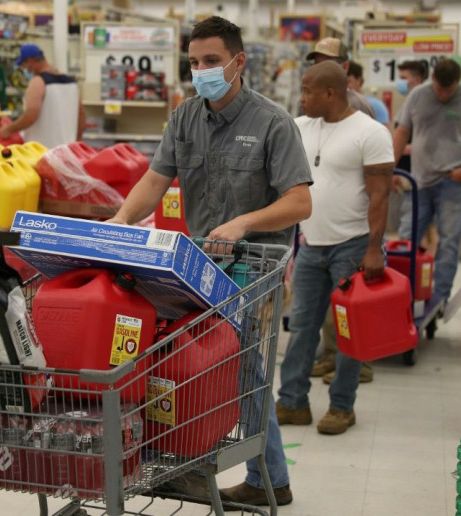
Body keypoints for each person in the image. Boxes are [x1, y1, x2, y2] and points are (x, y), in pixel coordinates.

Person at [106, 16, 312, 507]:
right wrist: (117, 223)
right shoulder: (184, 117)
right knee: (193, 366)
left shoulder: (272, 122)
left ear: (239, 62)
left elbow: (299, 202)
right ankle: (200, 465)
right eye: (195, 62)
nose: (201, 71)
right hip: (198, 268)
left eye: (212, 61)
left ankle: (268, 479)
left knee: (242, 371)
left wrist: (244, 222)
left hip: (253, 269)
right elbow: (155, 180)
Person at [276, 61, 394, 435]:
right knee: (301, 328)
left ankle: (342, 406)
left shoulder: (370, 133)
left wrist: (374, 249)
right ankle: (292, 401)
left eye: (307, 90)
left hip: (354, 246)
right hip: (311, 245)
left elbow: (380, 197)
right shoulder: (298, 127)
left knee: (349, 333)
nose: (302, 97)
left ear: (330, 93)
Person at [392, 58, 461, 306]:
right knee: (407, 238)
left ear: (458, 83)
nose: (443, 94)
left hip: (453, 184)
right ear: (433, 80)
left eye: (449, 90)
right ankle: (399, 292)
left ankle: (440, 297)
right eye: (439, 88)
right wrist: (392, 168)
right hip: (419, 182)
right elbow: (401, 132)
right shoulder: (418, 96)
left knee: (449, 240)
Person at [305, 39, 378, 386]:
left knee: (346, 312)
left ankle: (353, 365)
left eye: (326, 61)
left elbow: (372, 183)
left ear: (344, 68)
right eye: (315, 60)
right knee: (319, 316)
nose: (318, 65)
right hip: (316, 234)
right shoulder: (311, 111)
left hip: (350, 234)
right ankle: (331, 356)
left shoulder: (359, 110)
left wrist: (373, 244)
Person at [0, 44, 85, 148]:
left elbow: (31, 115)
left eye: (24, 65)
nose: (25, 70)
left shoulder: (38, 82)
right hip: (66, 150)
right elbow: (81, 115)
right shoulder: (72, 84)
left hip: (41, 151)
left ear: (30, 61)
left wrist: (8, 129)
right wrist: (76, 140)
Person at [305, 37, 375, 118]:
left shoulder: (357, 105)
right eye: (317, 64)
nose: (321, 69)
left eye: (328, 64)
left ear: (345, 67)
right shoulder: (308, 103)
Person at [395, 60, 429, 174]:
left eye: (404, 78)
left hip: (416, 171)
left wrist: (401, 148)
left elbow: (429, 142)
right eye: (400, 78)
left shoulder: (424, 106)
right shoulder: (408, 103)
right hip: (402, 169)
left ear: (418, 80)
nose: (401, 82)